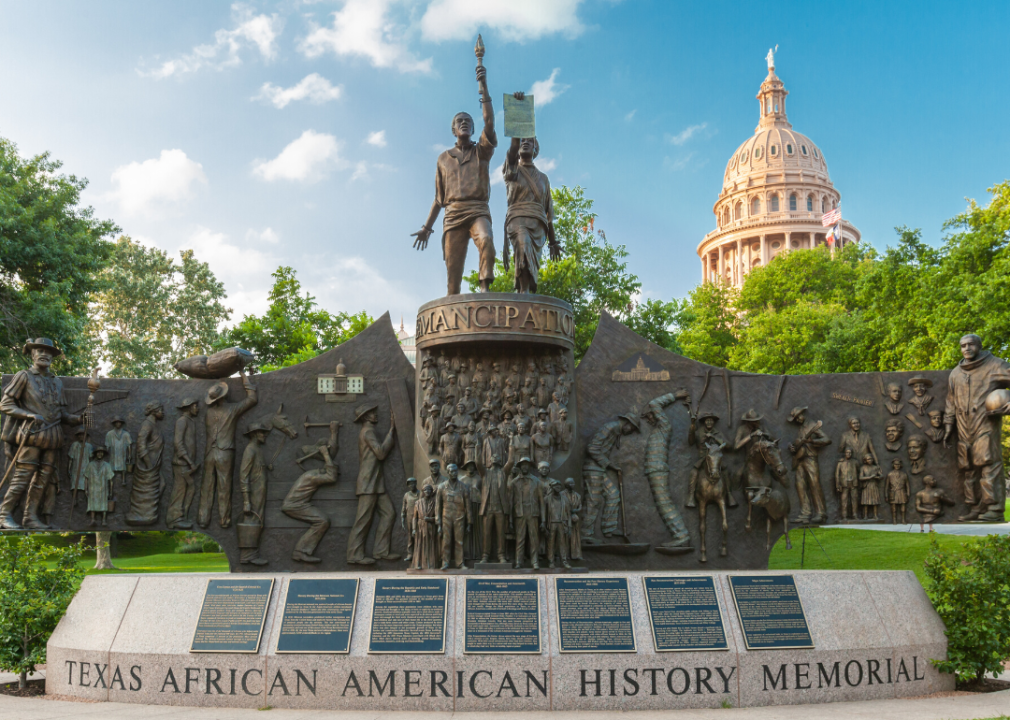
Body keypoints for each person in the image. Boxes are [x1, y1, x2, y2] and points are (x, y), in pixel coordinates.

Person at [411, 58, 498, 295]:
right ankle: (453, 307)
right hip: (453, 214)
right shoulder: (443, 158)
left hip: (478, 209)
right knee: (453, 277)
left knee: (487, 241)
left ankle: (484, 289)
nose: (465, 124)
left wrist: (484, 86)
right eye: (460, 122)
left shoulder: (482, 151)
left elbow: (489, 122)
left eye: (468, 122)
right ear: (453, 129)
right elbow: (439, 199)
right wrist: (426, 228)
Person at [0, 338, 81, 530]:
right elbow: (5, 404)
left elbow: (62, 415)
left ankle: (30, 517)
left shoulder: (57, 383)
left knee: (43, 480)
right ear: (33, 354)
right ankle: (4, 515)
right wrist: (28, 414)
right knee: (23, 477)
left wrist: (78, 419)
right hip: (31, 435)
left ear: (53, 357)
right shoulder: (24, 376)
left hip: (53, 437)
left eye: (48, 352)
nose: (44, 354)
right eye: (39, 351)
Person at [944, 334, 1010, 522]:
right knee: (969, 468)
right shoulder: (956, 373)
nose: (966, 348)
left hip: (985, 423)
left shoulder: (995, 365)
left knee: (989, 464)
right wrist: (949, 425)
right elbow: (950, 401)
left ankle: (994, 508)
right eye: (963, 345)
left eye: (970, 344)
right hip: (964, 426)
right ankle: (974, 507)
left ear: (979, 345)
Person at [501, 96, 561, 294]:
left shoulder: (543, 178)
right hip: (517, 219)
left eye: (530, 141)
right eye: (522, 141)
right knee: (522, 244)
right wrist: (519, 114)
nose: (525, 143)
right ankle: (523, 293)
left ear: (536, 149)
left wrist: (553, 242)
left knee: (531, 262)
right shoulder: (512, 170)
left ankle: (526, 292)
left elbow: (548, 213)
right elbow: (511, 149)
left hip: (538, 225)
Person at [199, 373, 257, 529]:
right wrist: (245, 379)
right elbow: (252, 400)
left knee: (207, 488)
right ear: (224, 397)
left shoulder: (208, 413)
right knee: (224, 488)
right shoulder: (232, 409)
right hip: (225, 453)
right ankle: (224, 520)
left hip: (209, 454)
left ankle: (203, 519)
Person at [347, 403, 397, 565]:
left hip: (376, 482)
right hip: (368, 482)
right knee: (363, 519)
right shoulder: (368, 432)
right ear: (366, 416)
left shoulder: (370, 431)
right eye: (373, 413)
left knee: (389, 513)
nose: (376, 414)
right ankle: (354, 554)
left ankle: (381, 551)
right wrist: (391, 432)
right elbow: (381, 453)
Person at [581, 410, 641, 541]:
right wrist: (609, 465)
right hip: (593, 469)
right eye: (632, 428)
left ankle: (609, 528)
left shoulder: (616, 431)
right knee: (593, 501)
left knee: (613, 495)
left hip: (599, 469)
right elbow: (592, 448)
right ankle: (585, 534)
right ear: (627, 423)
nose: (631, 431)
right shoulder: (609, 427)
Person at [282, 435, 339, 564]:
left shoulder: (313, 474)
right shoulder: (312, 476)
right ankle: (301, 552)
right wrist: (325, 455)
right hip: (294, 505)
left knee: (322, 520)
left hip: (299, 504)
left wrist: (333, 433)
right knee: (322, 521)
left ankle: (301, 552)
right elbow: (332, 478)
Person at [787, 407, 832, 524]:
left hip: (810, 458)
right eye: (795, 419)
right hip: (800, 459)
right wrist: (793, 448)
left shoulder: (812, 425)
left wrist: (812, 442)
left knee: (814, 484)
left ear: (803, 414)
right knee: (800, 485)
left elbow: (827, 439)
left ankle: (821, 513)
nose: (797, 420)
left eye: (798, 417)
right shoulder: (801, 428)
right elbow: (799, 444)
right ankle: (805, 513)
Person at [126, 401, 164, 526]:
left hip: (153, 465)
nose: (163, 412)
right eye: (161, 410)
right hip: (148, 467)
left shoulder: (153, 424)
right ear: (154, 411)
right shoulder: (147, 424)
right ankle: (142, 515)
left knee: (161, 485)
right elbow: (141, 443)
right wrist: (148, 464)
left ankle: (149, 514)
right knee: (145, 491)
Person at [238, 421, 270, 565]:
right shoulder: (250, 450)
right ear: (255, 434)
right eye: (262, 432)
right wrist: (246, 500)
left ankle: (252, 554)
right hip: (253, 494)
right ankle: (247, 556)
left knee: (258, 522)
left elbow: (256, 469)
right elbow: (243, 476)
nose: (264, 435)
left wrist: (265, 467)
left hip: (259, 493)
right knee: (252, 522)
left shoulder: (257, 449)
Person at [167, 397, 200, 529]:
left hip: (187, 463)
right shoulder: (182, 421)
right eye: (196, 406)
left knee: (187, 490)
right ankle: (173, 519)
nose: (197, 408)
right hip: (181, 463)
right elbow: (178, 443)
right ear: (189, 407)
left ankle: (181, 516)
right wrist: (189, 461)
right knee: (179, 491)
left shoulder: (190, 421)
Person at [480, 424, 509, 564]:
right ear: (490, 460)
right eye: (493, 458)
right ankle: (485, 555)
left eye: (498, 458)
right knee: (486, 533)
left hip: (500, 508)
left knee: (500, 533)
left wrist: (512, 443)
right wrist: (476, 449)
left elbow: (511, 461)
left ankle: (501, 555)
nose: (495, 459)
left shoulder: (503, 473)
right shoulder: (485, 473)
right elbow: (478, 463)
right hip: (488, 507)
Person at [508, 457, 545, 569]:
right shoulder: (514, 482)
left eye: (526, 464)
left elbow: (542, 502)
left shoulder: (536, 481)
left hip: (533, 513)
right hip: (519, 514)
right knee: (520, 539)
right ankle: (519, 562)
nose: (524, 466)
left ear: (530, 466)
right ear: (519, 467)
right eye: (522, 465)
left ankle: (535, 562)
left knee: (534, 539)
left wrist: (543, 520)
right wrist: (510, 519)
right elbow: (510, 502)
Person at [436, 463, 472, 569]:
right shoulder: (441, 487)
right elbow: (438, 507)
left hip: (459, 517)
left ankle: (460, 563)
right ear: (447, 473)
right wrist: (438, 523)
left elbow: (468, 506)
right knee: (446, 541)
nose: (453, 473)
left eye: (455, 471)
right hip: (446, 517)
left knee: (459, 541)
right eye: (451, 471)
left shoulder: (464, 487)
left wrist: (469, 522)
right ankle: (445, 563)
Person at [543, 477, 571, 569]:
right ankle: (551, 562)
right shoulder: (547, 499)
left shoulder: (565, 499)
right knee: (550, 544)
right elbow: (543, 513)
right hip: (551, 524)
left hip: (562, 524)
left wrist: (569, 526)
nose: (558, 487)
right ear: (552, 487)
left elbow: (568, 514)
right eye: (556, 485)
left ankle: (564, 561)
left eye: (559, 485)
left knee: (562, 543)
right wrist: (544, 524)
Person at [458, 460, 483, 560]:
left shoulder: (479, 479)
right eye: (469, 466)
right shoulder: (462, 480)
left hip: (477, 505)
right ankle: (466, 553)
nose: (471, 468)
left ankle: (477, 553)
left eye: (473, 466)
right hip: (465, 506)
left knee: (477, 529)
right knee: (466, 530)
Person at [84, 445, 114, 526]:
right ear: (95, 454)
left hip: (103, 488)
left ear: (103, 454)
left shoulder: (107, 465)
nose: (100, 454)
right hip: (92, 487)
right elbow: (86, 477)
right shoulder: (90, 465)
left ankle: (104, 520)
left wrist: (111, 491)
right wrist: (85, 489)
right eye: (98, 452)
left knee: (103, 503)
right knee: (92, 503)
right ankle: (92, 520)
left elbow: (110, 480)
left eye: (101, 452)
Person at [412, 484, 439, 569]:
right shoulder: (418, 503)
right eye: (425, 490)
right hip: (420, 526)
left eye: (429, 490)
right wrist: (413, 529)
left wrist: (430, 519)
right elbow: (414, 517)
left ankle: (430, 564)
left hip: (431, 527)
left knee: (430, 545)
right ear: (423, 492)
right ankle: (418, 564)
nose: (427, 492)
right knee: (419, 545)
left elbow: (438, 517)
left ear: (431, 492)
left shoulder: (435, 503)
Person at [68, 426, 92, 510]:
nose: (81, 437)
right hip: (76, 467)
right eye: (79, 435)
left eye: (83, 435)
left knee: (85, 484)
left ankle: (86, 500)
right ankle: (74, 499)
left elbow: (91, 458)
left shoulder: (89, 446)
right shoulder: (74, 445)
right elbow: (71, 458)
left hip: (85, 467)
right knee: (74, 484)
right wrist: (69, 468)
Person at [105, 416, 133, 488]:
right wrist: (106, 453)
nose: (118, 424)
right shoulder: (109, 434)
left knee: (123, 465)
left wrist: (129, 454)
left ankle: (123, 480)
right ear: (114, 424)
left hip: (122, 452)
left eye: (119, 422)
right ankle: (111, 480)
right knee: (112, 465)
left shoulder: (126, 434)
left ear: (121, 423)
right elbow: (107, 445)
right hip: (113, 453)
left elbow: (129, 445)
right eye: (116, 422)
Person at [834, 447, 860, 520]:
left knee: (854, 500)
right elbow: (837, 475)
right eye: (847, 452)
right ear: (845, 453)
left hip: (853, 483)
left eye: (850, 452)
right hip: (844, 484)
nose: (848, 454)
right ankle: (844, 516)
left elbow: (859, 472)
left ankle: (855, 515)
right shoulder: (840, 463)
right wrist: (837, 485)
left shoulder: (855, 462)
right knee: (844, 500)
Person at [885, 458, 910, 525]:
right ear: (893, 465)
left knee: (903, 507)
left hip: (902, 492)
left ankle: (903, 520)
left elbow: (907, 485)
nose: (897, 465)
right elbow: (887, 486)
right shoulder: (890, 474)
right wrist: (886, 495)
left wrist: (908, 493)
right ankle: (894, 520)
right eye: (896, 464)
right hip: (893, 492)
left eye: (898, 464)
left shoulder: (904, 474)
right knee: (893, 507)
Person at [858, 453, 882, 521]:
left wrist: (877, 477)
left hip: (874, 485)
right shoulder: (863, 468)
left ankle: (875, 515)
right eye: (868, 459)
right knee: (866, 501)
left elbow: (881, 476)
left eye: (871, 459)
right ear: (865, 460)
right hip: (866, 486)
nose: (870, 460)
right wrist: (869, 477)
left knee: (875, 501)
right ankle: (865, 515)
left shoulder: (875, 467)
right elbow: (860, 477)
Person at [563, 477, 583, 560]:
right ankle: (565, 555)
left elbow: (580, 506)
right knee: (565, 537)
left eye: (573, 483)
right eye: (570, 483)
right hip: (565, 518)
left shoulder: (577, 495)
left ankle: (576, 555)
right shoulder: (562, 494)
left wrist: (576, 510)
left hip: (574, 518)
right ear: (566, 485)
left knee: (575, 537)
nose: (572, 485)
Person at [401, 478, 419, 562]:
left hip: (419, 517)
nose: (412, 485)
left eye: (413, 483)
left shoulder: (420, 493)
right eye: (410, 484)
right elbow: (404, 508)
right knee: (410, 536)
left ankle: (419, 554)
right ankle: (410, 554)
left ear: (416, 483)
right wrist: (402, 519)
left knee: (419, 535)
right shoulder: (406, 495)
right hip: (409, 517)